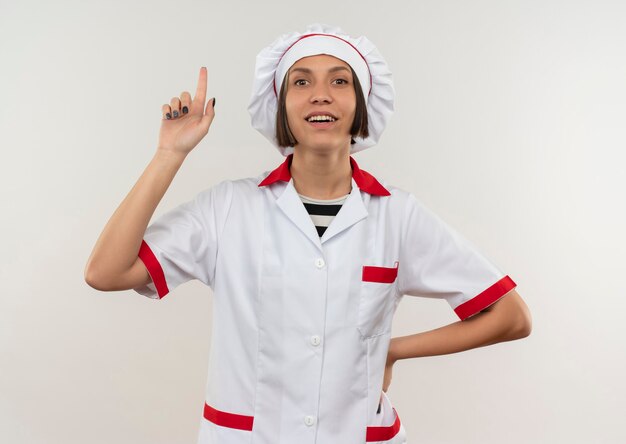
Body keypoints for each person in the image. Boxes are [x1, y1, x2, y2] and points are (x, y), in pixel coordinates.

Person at [85, 23, 532, 444]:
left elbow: (511, 316)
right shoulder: (228, 208)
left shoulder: (398, 216)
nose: (321, 95)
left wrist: (392, 350)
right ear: (280, 105)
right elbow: (106, 272)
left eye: (340, 82)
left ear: (360, 104)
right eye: (301, 82)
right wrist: (169, 153)